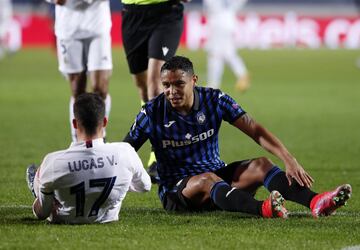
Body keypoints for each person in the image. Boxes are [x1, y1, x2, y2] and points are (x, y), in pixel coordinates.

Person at [123, 55, 352, 218]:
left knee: (262, 165)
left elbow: (254, 129)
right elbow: (125, 151)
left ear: (194, 80)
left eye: (178, 84)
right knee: (207, 179)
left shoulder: (214, 100)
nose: (172, 91)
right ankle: (263, 208)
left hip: (217, 178)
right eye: (166, 85)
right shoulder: (151, 112)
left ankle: (316, 202)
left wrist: (288, 158)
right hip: (178, 191)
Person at [26, 93, 151, 224]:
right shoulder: (125, 152)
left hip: (65, 219)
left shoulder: (52, 162)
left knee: (42, 178)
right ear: (104, 122)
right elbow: (145, 186)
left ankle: (38, 186)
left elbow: (42, 213)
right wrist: (119, 181)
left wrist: (41, 194)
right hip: (107, 218)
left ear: (74, 123)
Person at [121, 0, 189, 173]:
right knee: (142, 87)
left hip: (165, 12)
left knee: (155, 83)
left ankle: (158, 153)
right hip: (132, 14)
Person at [46, 0, 113, 141]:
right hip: (69, 28)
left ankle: (101, 137)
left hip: (97, 24)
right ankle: (77, 138)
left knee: (100, 88)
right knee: (77, 90)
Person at [204, 0, 250, 91]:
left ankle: (213, 84)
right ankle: (242, 74)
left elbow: (209, 7)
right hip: (229, 21)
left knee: (215, 54)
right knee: (226, 51)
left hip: (218, 23)